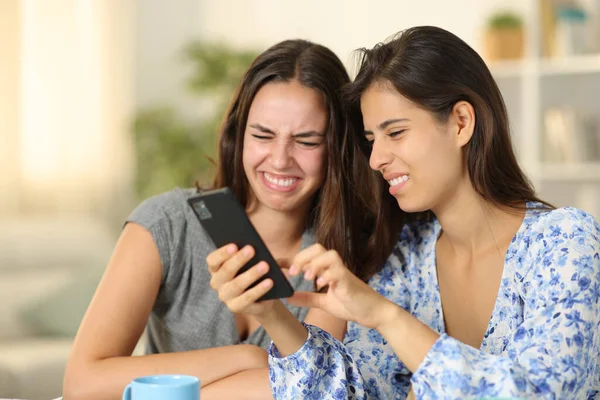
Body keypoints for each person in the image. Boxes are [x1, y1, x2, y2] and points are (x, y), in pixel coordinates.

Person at [207, 26, 600, 399]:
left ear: (461, 123)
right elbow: (352, 393)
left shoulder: (566, 242)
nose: (377, 158)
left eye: (395, 133)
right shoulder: (406, 256)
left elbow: (540, 393)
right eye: (371, 139)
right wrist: (272, 313)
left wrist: (386, 316)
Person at [62, 39, 382, 400]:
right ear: (238, 135)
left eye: (306, 141)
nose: (279, 160)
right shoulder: (165, 224)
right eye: (262, 135)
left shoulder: (343, 251)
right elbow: (82, 383)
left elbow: (315, 388)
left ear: (337, 147)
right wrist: (249, 358)